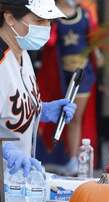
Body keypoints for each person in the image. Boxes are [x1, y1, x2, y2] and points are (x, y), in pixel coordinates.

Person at [0, 0, 76, 177]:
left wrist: (42, 110)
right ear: (10, 18)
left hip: (16, 182)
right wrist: (5, 147)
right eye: (39, 21)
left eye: (49, 21)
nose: (46, 28)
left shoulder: (23, 53)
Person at [36, 0, 101, 175]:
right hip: (59, 74)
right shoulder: (53, 14)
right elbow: (48, 42)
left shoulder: (85, 14)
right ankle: (64, 158)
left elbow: (94, 40)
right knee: (58, 115)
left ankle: (74, 159)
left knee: (75, 116)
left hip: (82, 74)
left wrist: (98, 56)